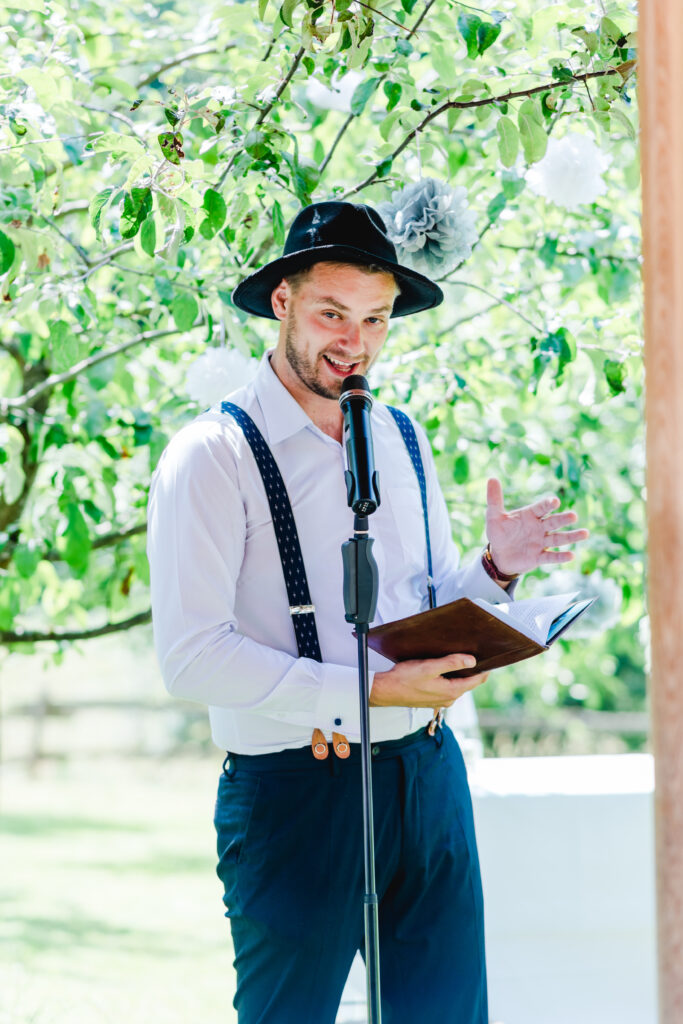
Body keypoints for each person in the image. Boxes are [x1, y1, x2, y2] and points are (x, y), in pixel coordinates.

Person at [146, 201, 588, 1024]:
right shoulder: (211, 456)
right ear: (282, 302)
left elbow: (415, 605)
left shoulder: (401, 435)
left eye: (376, 319)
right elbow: (191, 656)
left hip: (427, 778)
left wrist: (493, 571)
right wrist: (364, 694)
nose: (354, 341)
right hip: (295, 791)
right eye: (331, 314)